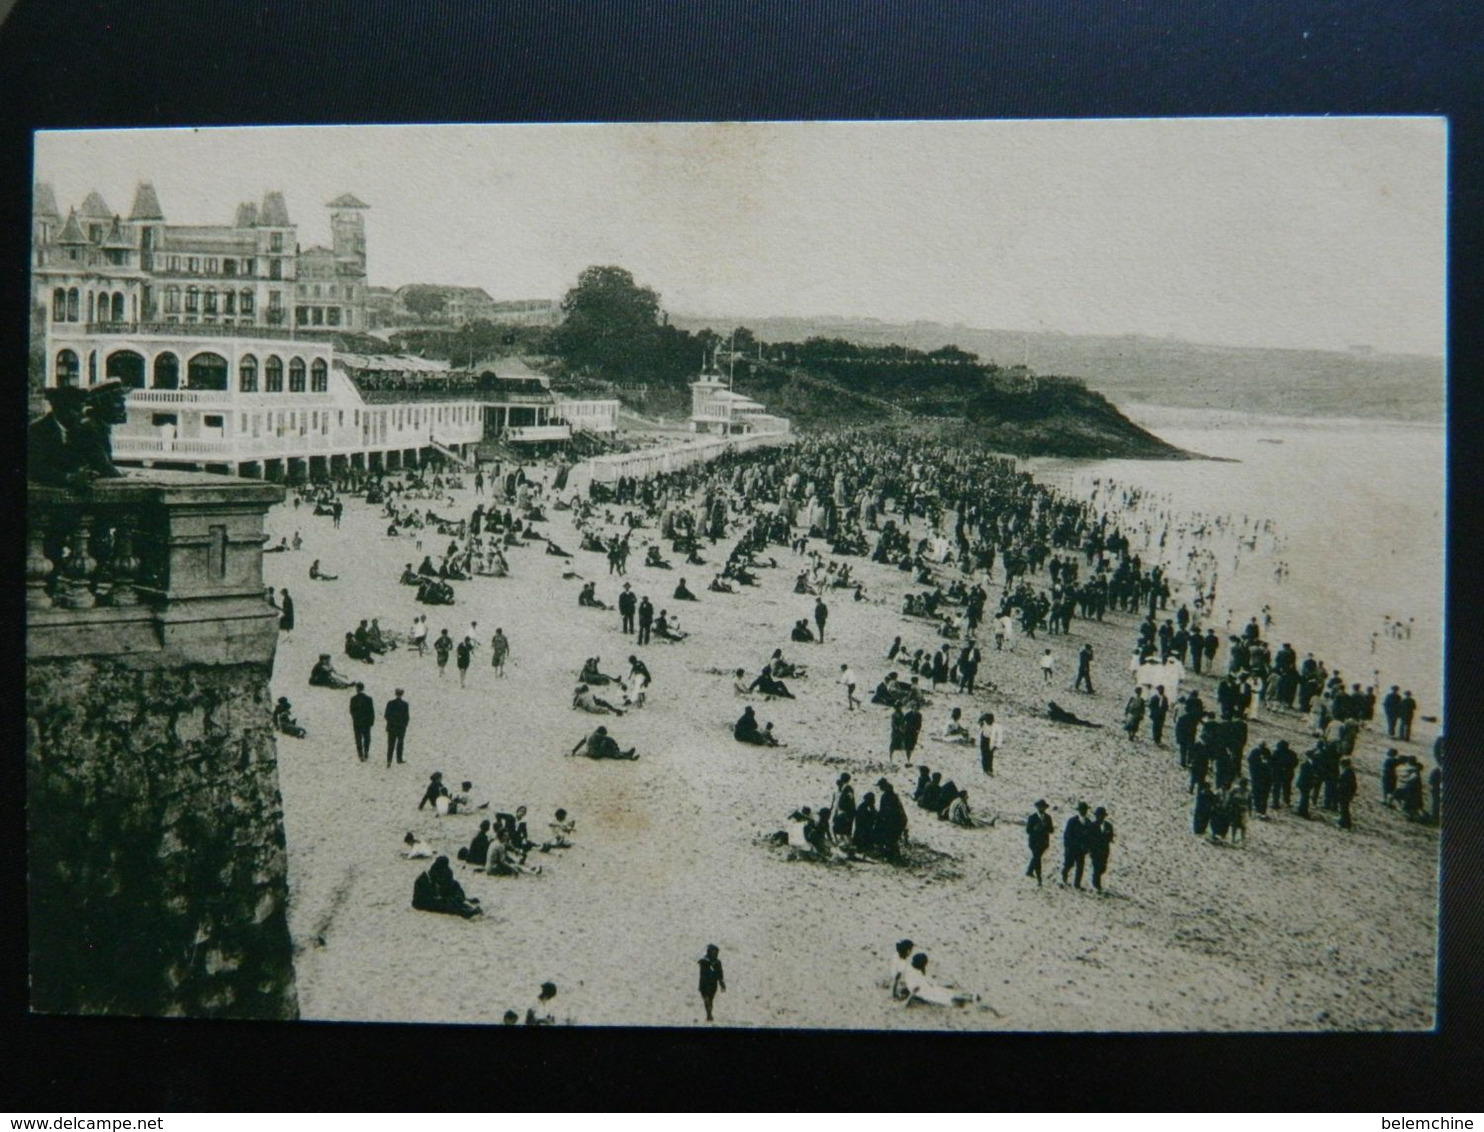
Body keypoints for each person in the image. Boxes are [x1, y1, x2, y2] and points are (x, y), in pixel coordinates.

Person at [411, 856, 481, 919]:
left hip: (438, 898)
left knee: (452, 901)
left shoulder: (445, 872)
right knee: (447, 905)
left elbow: (453, 886)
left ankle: (469, 909)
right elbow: (421, 898)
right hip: (424, 902)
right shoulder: (425, 878)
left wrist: (457, 897)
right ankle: (465, 912)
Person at [903, 952, 973, 1007]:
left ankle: (966, 998)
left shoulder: (911, 969)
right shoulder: (915, 973)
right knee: (946, 996)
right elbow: (915, 990)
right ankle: (968, 998)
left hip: (926, 988)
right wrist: (907, 1002)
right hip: (925, 991)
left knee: (945, 995)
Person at [1061, 802, 1091, 889]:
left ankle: (1077, 884)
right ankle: (1064, 874)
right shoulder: (1072, 821)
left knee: (1080, 867)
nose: (1083, 811)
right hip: (1072, 848)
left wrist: (1087, 847)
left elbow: (1090, 836)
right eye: (1082, 810)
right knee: (1069, 864)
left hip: (1082, 849)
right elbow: (1067, 835)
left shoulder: (1088, 822)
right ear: (1079, 810)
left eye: (1085, 810)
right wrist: (1069, 846)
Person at [570, 725, 638, 760]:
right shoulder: (598, 735)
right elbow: (610, 740)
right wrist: (616, 747)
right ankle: (625, 756)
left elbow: (581, 742)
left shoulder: (589, 734)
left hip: (589, 751)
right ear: (602, 733)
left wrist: (574, 750)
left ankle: (625, 754)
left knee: (604, 745)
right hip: (594, 754)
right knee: (606, 745)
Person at [1087, 807, 1115, 892]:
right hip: (1095, 850)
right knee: (1097, 867)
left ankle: (1096, 881)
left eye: (1102, 816)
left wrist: (1108, 837)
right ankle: (1096, 885)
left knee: (1103, 868)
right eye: (1099, 816)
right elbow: (1090, 838)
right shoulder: (1092, 825)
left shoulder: (1108, 826)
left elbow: (1111, 836)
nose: (1100, 817)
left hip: (1104, 850)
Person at [1025, 799, 1053, 885]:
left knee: (1037, 858)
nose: (1042, 809)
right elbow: (1028, 830)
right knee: (1037, 857)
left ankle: (1030, 871)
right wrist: (1035, 829)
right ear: (1037, 808)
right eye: (1040, 807)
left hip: (1043, 843)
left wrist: (1046, 828)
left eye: (1043, 807)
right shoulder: (1032, 817)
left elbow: (1051, 830)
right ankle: (1038, 877)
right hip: (1034, 842)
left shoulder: (1048, 818)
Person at [698, 944, 726, 1023]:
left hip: (713, 984)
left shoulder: (717, 962)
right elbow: (704, 972)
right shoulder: (704, 961)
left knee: (710, 1000)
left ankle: (709, 1014)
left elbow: (720, 973)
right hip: (704, 983)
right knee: (706, 999)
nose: (716, 955)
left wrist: (721, 983)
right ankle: (709, 1014)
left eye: (716, 953)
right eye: (714, 953)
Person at [349, 682, 375, 761]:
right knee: (367, 738)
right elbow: (371, 711)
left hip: (357, 722)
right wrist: (371, 721)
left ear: (357, 688)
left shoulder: (353, 699)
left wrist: (355, 718)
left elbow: (351, 711)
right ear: (363, 688)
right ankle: (366, 752)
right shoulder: (369, 699)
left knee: (358, 738)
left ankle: (360, 754)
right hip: (366, 722)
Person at [384, 688, 410, 765]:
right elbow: (406, 717)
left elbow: (386, 715)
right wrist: (404, 725)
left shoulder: (390, 703)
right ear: (402, 694)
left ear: (395, 694)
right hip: (401, 728)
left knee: (390, 745)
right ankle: (399, 759)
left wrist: (391, 722)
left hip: (391, 727)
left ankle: (389, 760)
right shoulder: (405, 704)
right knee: (400, 744)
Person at [1336, 757, 1358, 830]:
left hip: (1344, 793)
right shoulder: (1350, 772)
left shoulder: (1346, 772)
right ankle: (1344, 822)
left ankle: (1345, 823)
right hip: (1347, 794)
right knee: (1344, 808)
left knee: (1344, 808)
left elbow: (1342, 783)